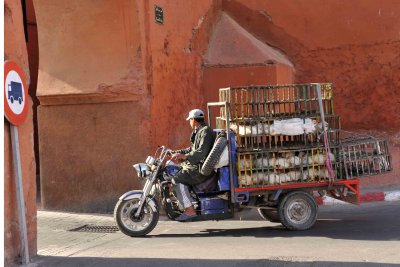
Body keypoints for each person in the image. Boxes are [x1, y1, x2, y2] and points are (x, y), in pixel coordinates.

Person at [170, 108, 216, 221]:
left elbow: (201, 152)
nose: (189, 122)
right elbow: (193, 149)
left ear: (194, 120)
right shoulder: (200, 130)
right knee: (172, 170)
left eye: (190, 120)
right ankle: (184, 204)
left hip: (200, 168)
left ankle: (190, 211)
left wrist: (185, 157)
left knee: (177, 180)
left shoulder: (205, 131)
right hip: (196, 165)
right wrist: (179, 152)